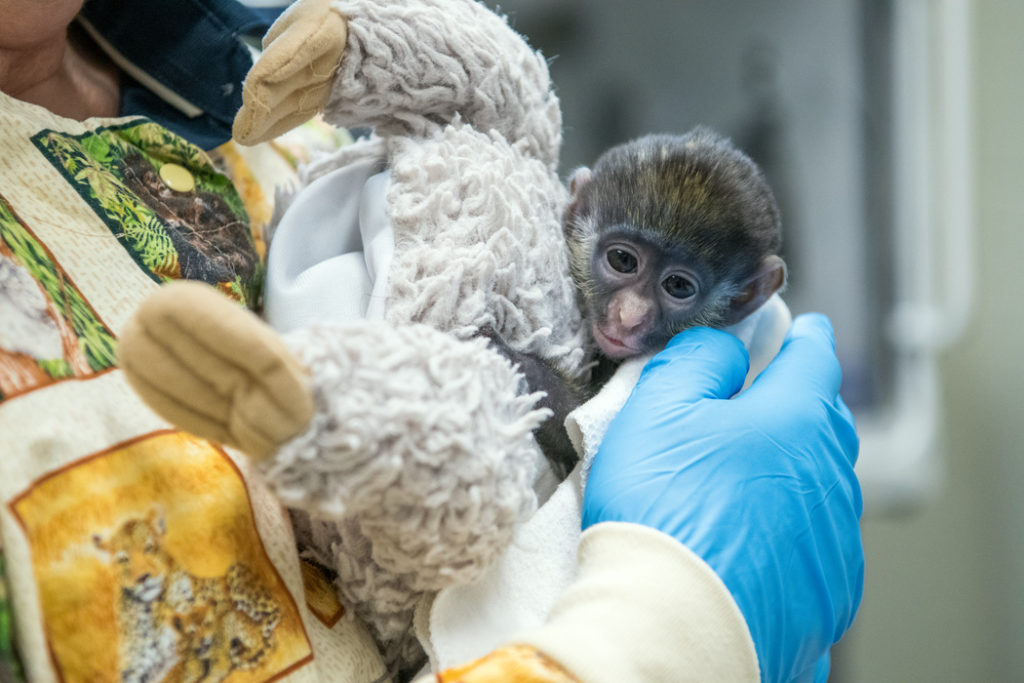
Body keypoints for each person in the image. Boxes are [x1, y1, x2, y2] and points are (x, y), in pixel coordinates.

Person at [0, 1, 863, 682]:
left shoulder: (254, 60)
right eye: (623, 265)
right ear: (583, 206)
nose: (631, 316)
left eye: (673, 290)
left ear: (749, 294)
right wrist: (664, 632)